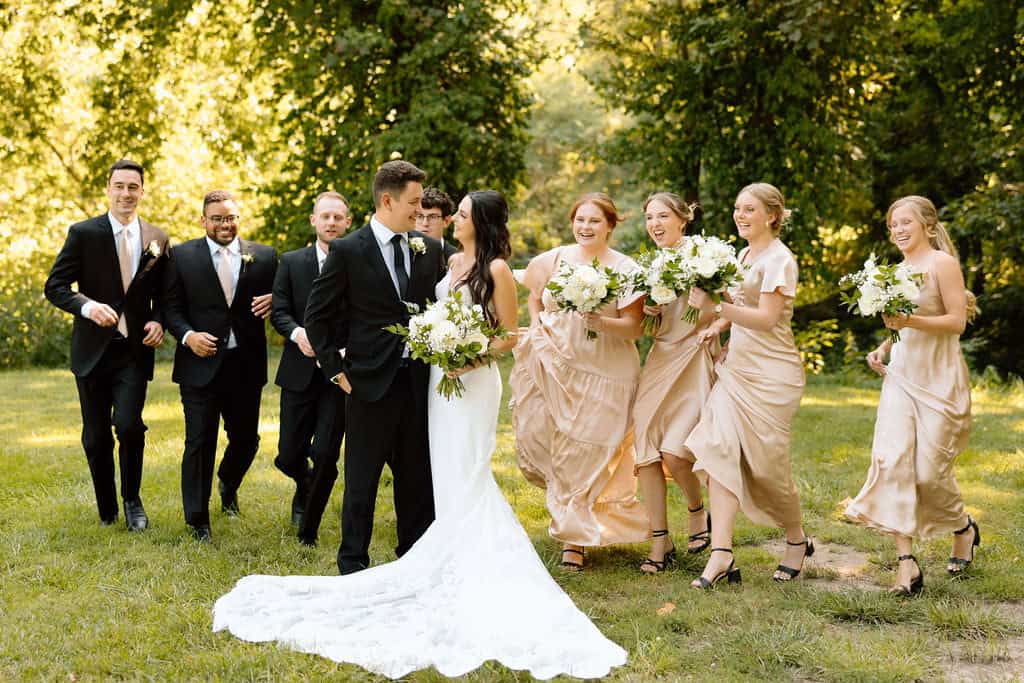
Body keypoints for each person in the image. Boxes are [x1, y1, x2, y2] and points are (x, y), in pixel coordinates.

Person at [213, 191, 627, 680]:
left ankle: (470, 564)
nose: (453, 219)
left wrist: (463, 357)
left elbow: (510, 336)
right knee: (440, 472)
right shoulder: (448, 262)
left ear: (482, 222)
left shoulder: (495, 270)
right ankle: (442, 554)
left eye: (464, 215)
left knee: (469, 469)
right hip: (436, 379)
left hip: (470, 381)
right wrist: (439, 350)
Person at [303, 160, 445, 575]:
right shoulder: (348, 250)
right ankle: (352, 564)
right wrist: (335, 370)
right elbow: (317, 316)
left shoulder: (429, 249)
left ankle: (415, 561)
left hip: (418, 383)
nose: (420, 213)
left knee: (417, 479)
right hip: (366, 384)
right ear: (387, 200)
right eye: (414, 203)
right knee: (361, 481)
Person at [845, 195, 979, 595]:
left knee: (929, 473)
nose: (898, 230)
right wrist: (884, 347)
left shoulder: (941, 264)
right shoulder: (896, 272)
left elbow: (955, 322)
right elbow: (900, 325)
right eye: (893, 225)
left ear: (927, 226)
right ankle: (906, 564)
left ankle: (963, 527)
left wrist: (909, 320)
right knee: (895, 465)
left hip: (939, 378)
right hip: (901, 375)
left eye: (905, 223)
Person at [510, 192, 650, 571]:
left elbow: (635, 328)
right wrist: (537, 322)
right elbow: (536, 297)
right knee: (551, 443)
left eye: (594, 221)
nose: (585, 227)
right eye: (580, 220)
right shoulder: (553, 259)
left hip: (606, 371)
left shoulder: (625, 269)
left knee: (588, 452)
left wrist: (598, 321)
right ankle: (574, 523)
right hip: (557, 365)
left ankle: (573, 539)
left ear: (609, 225)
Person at [684, 182, 809, 588]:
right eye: (737, 208)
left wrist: (716, 308)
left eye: (749, 209)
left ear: (772, 215)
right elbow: (742, 309)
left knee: (769, 470)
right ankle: (721, 553)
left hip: (773, 374)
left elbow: (768, 318)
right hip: (735, 369)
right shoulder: (741, 255)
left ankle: (796, 539)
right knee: (717, 447)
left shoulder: (779, 259)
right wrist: (718, 325)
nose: (740, 215)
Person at [44, 159, 170, 530]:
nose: (126, 194)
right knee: (96, 437)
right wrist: (85, 306)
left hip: (133, 353)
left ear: (142, 192)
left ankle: (132, 502)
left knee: (129, 425)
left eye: (133, 187)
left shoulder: (158, 239)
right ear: (109, 189)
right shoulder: (83, 233)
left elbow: (167, 294)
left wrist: (159, 320)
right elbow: (55, 287)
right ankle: (106, 508)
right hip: (92, 353)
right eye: (120, 186)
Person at [162, 190, 277, 542]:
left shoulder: (265, 257)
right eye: (217, 218)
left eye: (230, 217)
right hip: (199, 365)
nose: (225, 224)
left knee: (246, 440)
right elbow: (170, 308)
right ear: (203, 221)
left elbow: (289, 296)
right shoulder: (181, 256)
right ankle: (197, 521)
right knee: (199, 442)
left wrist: (277, 299)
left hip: (245, 366)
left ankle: (228, 481)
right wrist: (187, 336)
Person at [632, 193, 718, 573]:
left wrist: (708, 311)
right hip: (658, 359)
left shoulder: (706, 256)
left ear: (683, 219)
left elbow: (730, 307)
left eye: (662, 215)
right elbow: (640, 323)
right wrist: (648, 309)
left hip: (693, 359)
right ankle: (658, 541)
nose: (655, 224)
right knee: (646, 450)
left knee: (675, 452)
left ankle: (697, 510)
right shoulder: (650, 263)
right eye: (649, 217)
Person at [271, 191, 352, 544]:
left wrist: (347, 349)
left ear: (348, 222)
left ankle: (309, 527)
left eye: (338, 217)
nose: (331, 222)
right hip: (298, 372)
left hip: (340, 374)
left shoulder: (359, 260)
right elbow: (279, 310)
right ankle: (303, 484)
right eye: (326, 216)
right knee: (288, 455)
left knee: (325, 454)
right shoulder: (291, 261)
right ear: (314, 221)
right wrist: (297, 333)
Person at [416, 186, 458, 259]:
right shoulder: (402, 254)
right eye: (419, 216)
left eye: (433, 217)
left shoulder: (458, 258)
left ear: (446, 221)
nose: (425, 223)